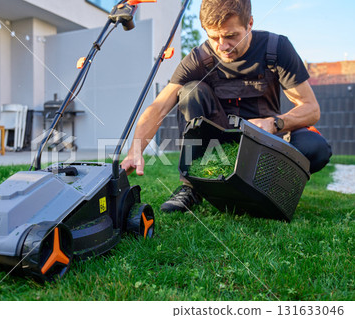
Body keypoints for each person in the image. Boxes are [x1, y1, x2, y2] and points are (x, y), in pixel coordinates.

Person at [120, 0, 332, 212]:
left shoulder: (276, 49)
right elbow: (158, 107)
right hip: (218, 147)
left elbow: (311, 108)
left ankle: (265, 184)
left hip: (265, 142)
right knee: (191, 91)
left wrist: (274, 123)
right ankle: (192, 186)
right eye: (213, 37)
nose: (222, 46)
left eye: (231, 36)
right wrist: (135, 150)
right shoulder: (197, 59)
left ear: (249, 24)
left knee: (316, 147)